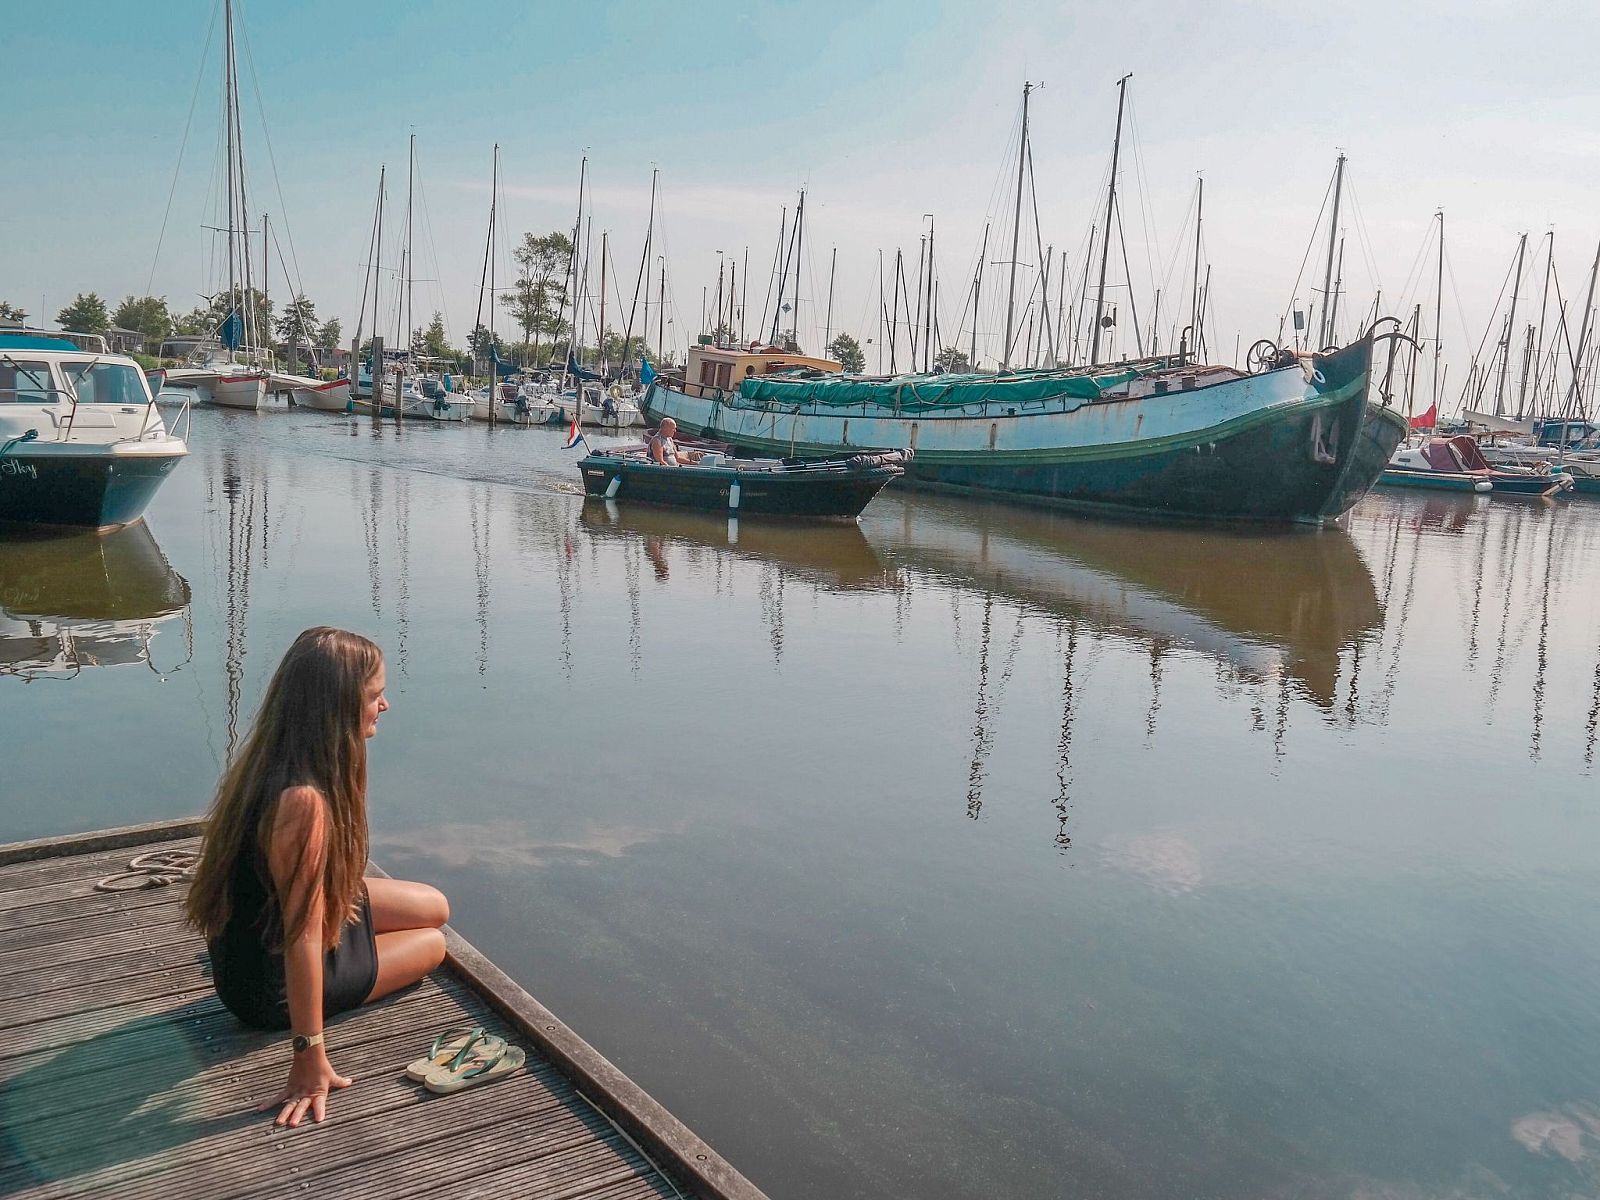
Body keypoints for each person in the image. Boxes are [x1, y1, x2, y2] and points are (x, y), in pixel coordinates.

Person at [185, 627, 449, 1129]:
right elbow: (301, 935)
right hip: (267, 988)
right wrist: (309, 1055)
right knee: (432, 945)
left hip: (264, 941)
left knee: (433, 905)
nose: (385, 705)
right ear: (338, 706)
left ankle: (349, 947)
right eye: (375, 696)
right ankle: (314, 1012)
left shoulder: (275, 762)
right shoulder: (302, 804)